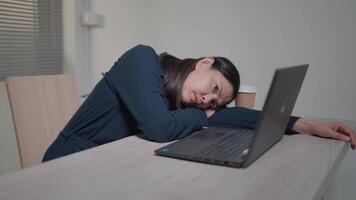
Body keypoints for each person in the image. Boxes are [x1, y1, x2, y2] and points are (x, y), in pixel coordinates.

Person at [42, 45, 356, 162]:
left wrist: (304, 124)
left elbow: (225, 118)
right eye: (214, 87)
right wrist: (201, 113)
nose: (208, 99)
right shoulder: (141, 59)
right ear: (204, 62)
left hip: (106, 165)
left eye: (215, 101)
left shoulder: (176, 103)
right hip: (68, 163)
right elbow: (160, 128)